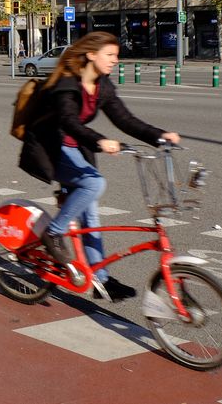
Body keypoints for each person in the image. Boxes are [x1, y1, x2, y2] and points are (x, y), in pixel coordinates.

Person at [38, 31, 180, 302]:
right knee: (94, 183)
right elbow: (69, 121)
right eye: (111, 55)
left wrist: (159, 136)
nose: (116, 60)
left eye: (117, 56)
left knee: (90, 217)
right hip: (50, 147)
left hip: (76, 148)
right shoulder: (68, 82)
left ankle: (100, 279)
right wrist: (100, 140)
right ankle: (53, 233)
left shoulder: (102, 85)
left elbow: (125, 119)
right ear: (91, 54)